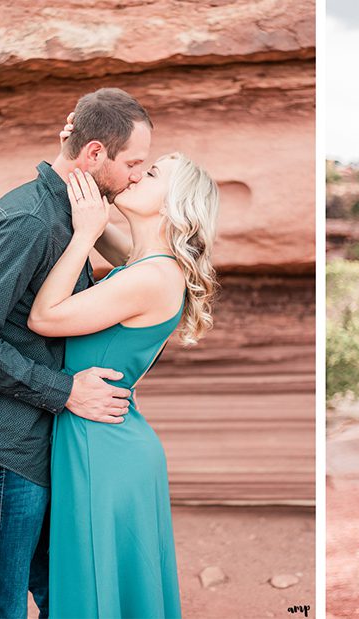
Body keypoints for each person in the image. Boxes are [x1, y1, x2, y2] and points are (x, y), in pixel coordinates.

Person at [0, 87, 152, 618]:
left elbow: (146, 268)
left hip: (40, 444)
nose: (136, 177)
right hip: (5, 450)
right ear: (95, 153)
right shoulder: (31, 220)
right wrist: (65, 390)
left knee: (64, 595)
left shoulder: (73, 217)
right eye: (133, 163)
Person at [29, 108, 220, 618]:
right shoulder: (144, 262)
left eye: (151, 172)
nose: (137, 173)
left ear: (174, 204)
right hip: (104, 436)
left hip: (103, 447)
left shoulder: (152, 277)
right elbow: (90, 200)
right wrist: (76, 147)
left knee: (94, 590)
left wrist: (82, 236)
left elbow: (46, 317)